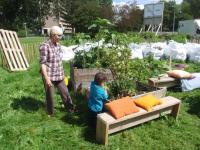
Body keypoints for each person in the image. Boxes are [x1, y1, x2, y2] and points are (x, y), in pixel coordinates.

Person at [39, 26, 75, 117]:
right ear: (53, 35)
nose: (60, 37)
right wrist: (47, 79)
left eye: (61, 35)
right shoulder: (44, 46)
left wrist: (62, 72)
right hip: (49, 76)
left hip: (59, 74)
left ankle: (70, 109)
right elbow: (42, 63)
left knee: (65, 92)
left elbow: (58, 60)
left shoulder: (58, 45)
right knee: (50, 95)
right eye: (59, 35)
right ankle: (50, 112)